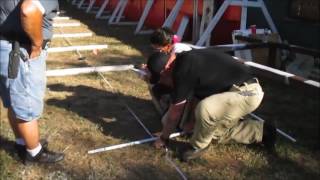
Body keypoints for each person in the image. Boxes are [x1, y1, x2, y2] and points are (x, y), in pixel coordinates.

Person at [148, 49, 276, 162]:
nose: (161, 81)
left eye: (161, 78)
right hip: (234, 91)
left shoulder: (182, 70)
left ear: (166, 69)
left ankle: (198, 147)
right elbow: (198, 94)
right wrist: (192, 123)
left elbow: (175, 113)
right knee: (210, 130)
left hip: (248, 93)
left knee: (206, 110)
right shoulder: (185, 59)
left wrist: (164, 138)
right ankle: (262, 131)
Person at [0, 0, 64, 164]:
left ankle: (23, 142)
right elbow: (29, 10)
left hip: (6, 44)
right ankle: (34, 152)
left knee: (14, 102)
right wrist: (36, 44)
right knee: (26, 106)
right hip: (22, 49)